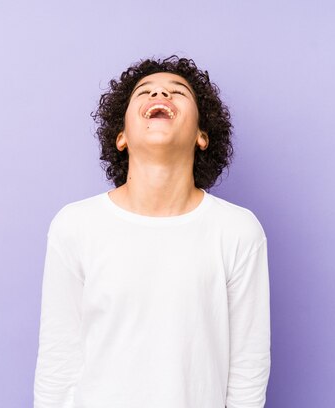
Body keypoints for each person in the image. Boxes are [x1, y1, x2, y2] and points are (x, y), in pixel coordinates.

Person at [34, 55, 270, 408]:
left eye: (178, 92)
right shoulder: (75, 226)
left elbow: (247, 372)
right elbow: (59, 361)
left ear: (202, 136)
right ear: (122, 136)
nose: (160, 92)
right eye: (144, 91)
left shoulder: (237, 231)